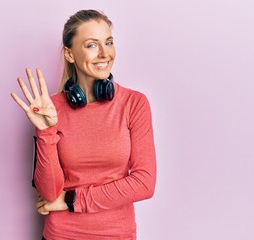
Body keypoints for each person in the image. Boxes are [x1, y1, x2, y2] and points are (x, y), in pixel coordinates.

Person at [11, 9, 156, 240]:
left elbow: (144, 183)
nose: (104, 53)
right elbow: (49, 193)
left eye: (108, 42)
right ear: (70, 54)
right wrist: (45, 131)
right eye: (91, 45)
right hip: (61, 234)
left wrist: (72, 200)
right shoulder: (51, 109)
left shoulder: (134, 104)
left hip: (116, 234)